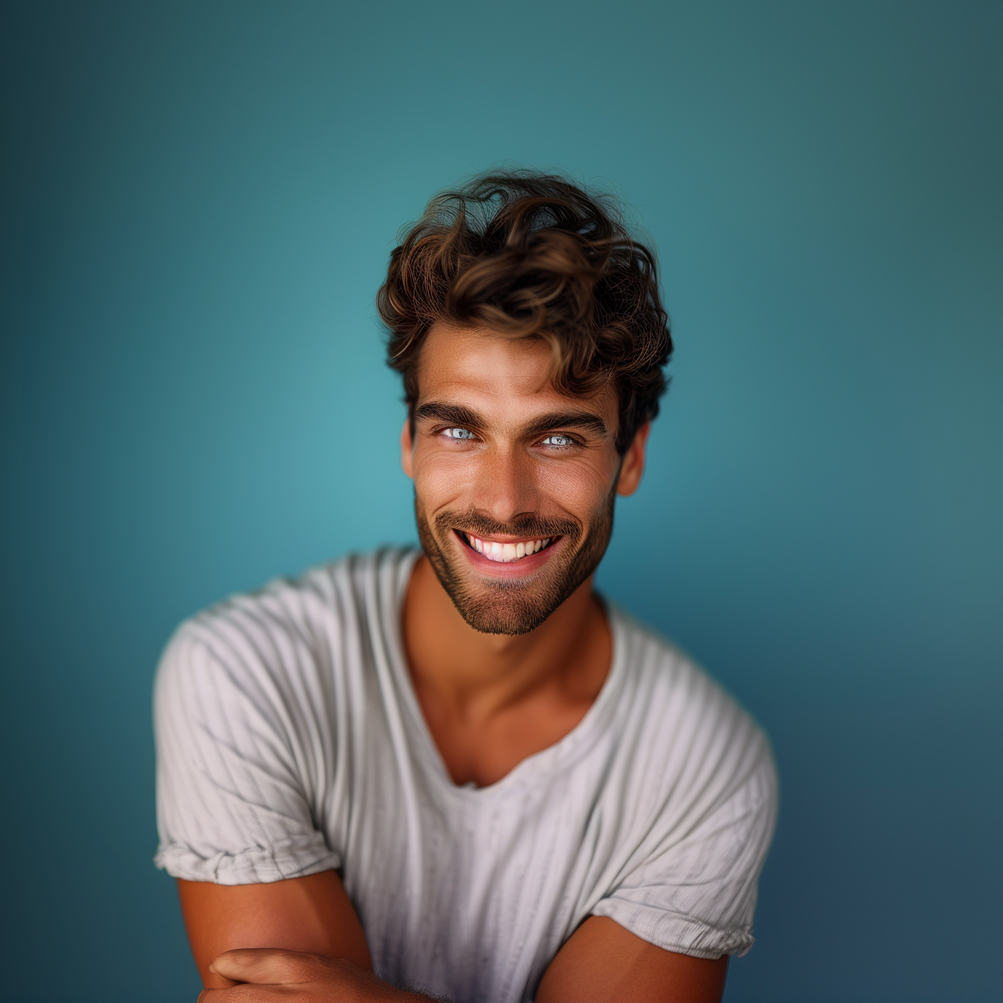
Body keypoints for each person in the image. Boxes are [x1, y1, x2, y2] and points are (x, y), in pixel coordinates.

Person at [153, 171, 777, 1003]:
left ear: (629, 456)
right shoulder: (242, 673)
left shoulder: (705, 769)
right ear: (408, 443)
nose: (502, 499)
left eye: (556, 438)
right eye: (458, 429)